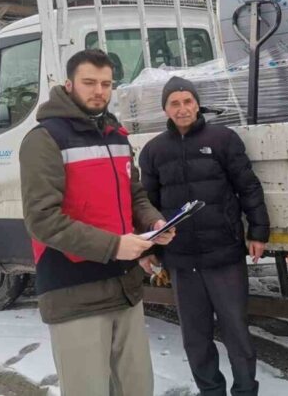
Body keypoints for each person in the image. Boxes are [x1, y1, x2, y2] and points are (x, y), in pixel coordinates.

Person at [20, 49, 174, 396]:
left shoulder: (115, 135)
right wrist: (115, 246)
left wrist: (153, 221)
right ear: (68, 85)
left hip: (125, 287)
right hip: (74, 292)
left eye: (106, 84)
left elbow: (133, 194)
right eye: (89, 82)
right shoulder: (44, 140)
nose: (99, 91)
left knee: (137, 388)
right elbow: (42, 220)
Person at [139, 76, 270, 396]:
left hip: (223, 254)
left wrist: (258, 231)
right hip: (182, 259)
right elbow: (146, 204)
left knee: (236, 331)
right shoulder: (154, 151)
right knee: (195, 337)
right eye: (174, 103)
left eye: (188, 101)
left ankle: (245, 390)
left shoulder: (223, 139)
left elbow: (248, 187)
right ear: (166, 110)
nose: (182, 108)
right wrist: (147, 248)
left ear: (197, 105)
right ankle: (211, 390)